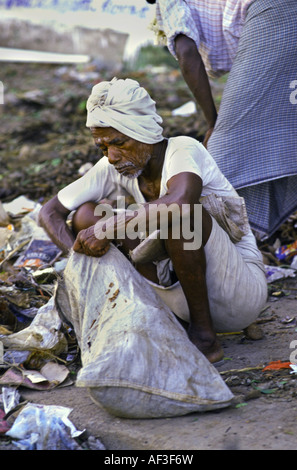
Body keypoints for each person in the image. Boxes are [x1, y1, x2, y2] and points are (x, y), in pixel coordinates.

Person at [39, 77, 267, 364]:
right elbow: (49, 212)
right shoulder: (112, 167)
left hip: (237, 294)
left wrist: (109, 227)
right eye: (102, 147)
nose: (111, 156)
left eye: (119, 143)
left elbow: (181, 201)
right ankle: (157, 318)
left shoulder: (183, 149)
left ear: (144, 131)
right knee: (87, 215)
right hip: (175, 298)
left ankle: (206, 339)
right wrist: (80, 252)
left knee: (181, 216)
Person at [147, 0, 297, 240]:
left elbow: (186, 52)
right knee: (284, 126)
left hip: (274, 14)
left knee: (221, 150)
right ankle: (245, 235)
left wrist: (212, 123)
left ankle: (221, 240)